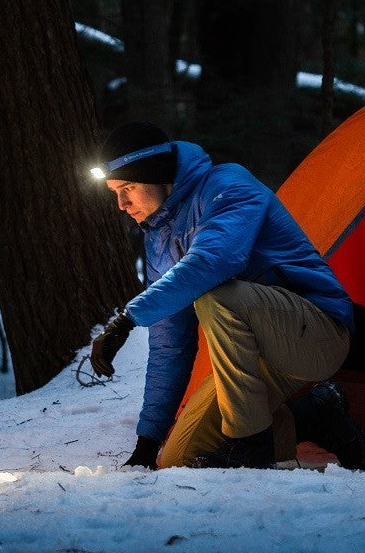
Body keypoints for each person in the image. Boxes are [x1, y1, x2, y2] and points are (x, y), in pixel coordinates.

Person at [89, 121, 364, 470]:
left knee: (214, 295)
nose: (121, 204)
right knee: (178, 460)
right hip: (252, 360)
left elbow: (212, 261)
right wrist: (148, 441)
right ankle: (314, 414)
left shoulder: (228, 186)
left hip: (316, 334)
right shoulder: (158, 238)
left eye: (127, 187)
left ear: (156, 173)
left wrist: (126, 319)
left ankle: (251, 443)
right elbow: (169, 344)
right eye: (114, 192)